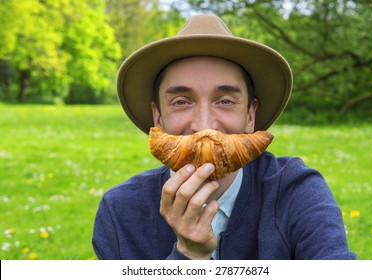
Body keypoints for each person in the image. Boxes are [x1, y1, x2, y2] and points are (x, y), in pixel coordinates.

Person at [92, 14, 357, 260]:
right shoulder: (119, 213)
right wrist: (188, 256)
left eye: (226, 101)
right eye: (182, 102)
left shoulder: (296, 192)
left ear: (250, 115)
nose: (205, 125)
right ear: (158, 117)